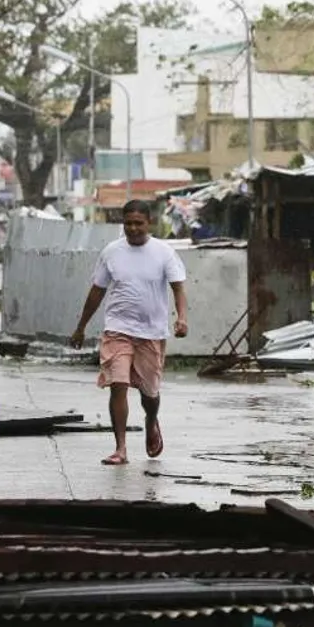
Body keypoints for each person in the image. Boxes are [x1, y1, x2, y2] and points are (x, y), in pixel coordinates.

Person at [69, 200, 188, 466]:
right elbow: (97, 291)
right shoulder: (111, 252)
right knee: (118, 385)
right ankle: (120, 448)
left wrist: (182, 318)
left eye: (139, 223)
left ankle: (151, 420)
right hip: (117, 329)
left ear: (149, 223)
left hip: (151, 332)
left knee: (150, 394)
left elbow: (178, 288)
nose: (133, 228)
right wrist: (81, 327)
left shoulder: (163, 252)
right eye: (128, 223)